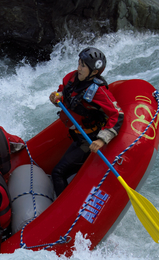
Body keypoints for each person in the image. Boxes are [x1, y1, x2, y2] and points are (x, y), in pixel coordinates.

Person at [49, 47, 124, 196]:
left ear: (94, 72)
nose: (79, 68)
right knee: (60, 169)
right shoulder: (71, 78)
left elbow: (117, 115)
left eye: (83, 66)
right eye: (79, 63)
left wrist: (102, 140)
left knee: (58, 172)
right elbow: (64, 94)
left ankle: (65, 210)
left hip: (90, 140)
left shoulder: (98, 91)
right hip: (78, 136)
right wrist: (56, 98)